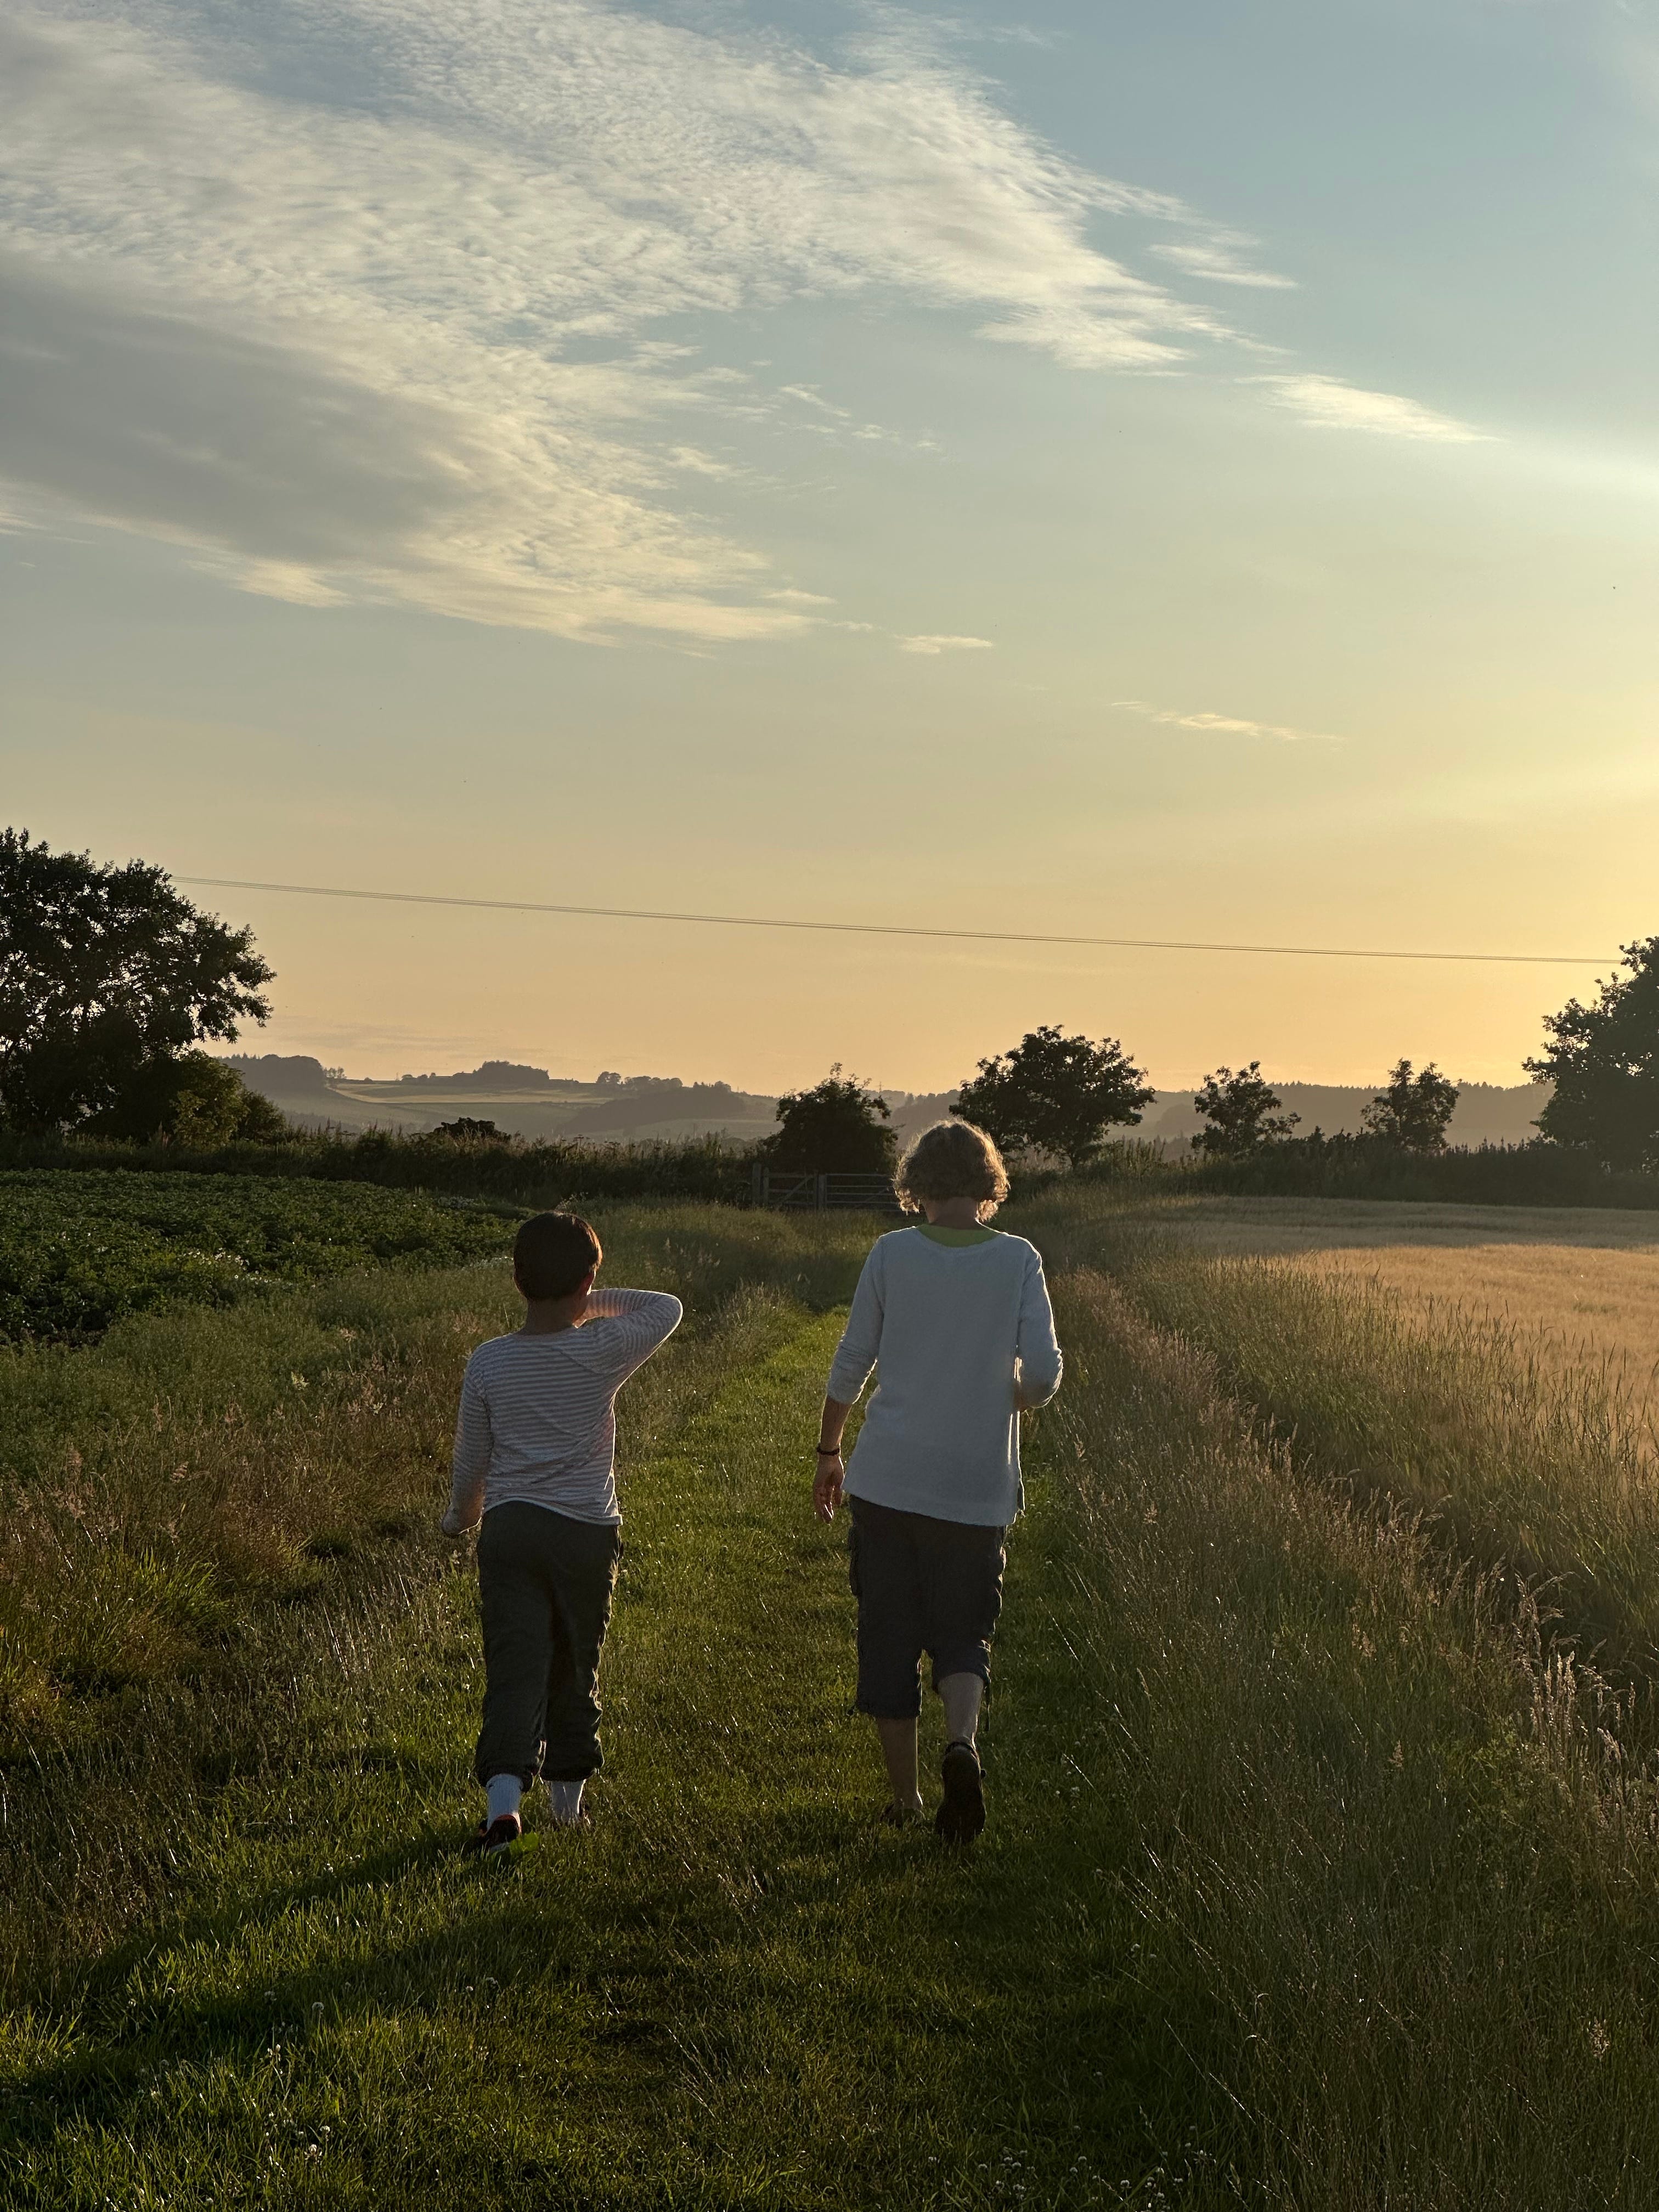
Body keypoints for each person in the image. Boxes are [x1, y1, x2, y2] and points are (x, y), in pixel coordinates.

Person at [813, 1120, 1062, 1841]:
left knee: (888, 1632)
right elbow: (1043, 1376)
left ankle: (906, 1799)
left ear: (915, 1184)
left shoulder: (892, 1254)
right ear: (990, 1186)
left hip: (889, 1481)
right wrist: (1006, 1395)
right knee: (964, 1631)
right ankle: (962, 1744)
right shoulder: (1018, 1259)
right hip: (976, 1485)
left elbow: (851, 1361)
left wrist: (830, 1451)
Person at [441, 1210, 681, 1857]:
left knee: (514, 1668)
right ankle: (568, 1812)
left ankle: (501, 1808)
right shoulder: (601, 1349)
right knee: (576, 1665)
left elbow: (472, 1464)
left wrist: (459, 1518)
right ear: (588, 1279)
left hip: (510, 1530)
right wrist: (587, 1297)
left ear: (515, 1280)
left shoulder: (489, 1361)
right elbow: (665, 1308)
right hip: (584, 1533)